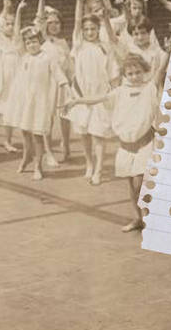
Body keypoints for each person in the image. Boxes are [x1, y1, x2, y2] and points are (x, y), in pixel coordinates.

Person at [65, 53, 161, 232]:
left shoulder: (149, 89)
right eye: (130, 73)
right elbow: (98, 98)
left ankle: (149, 218)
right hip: (126, 145)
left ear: (144, 71)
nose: (134, 76)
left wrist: (170, 51)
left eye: (138, 72)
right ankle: (138, 218)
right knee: (131, 185)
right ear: (124, 75)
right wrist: (77, 100)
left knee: (140, 184)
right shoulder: (119, 92)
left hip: (145, 143)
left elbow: (161, 71)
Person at [4, 0, 71, 181]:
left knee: (38, 133)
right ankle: (27, 157)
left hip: (41, 101)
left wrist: (65, 86)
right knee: (25, 131)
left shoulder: (47, 57)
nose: (31, 45)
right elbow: (17, 35)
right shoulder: (24, 57)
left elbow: (58, 74)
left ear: (40, 41)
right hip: (25, 101)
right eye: (28, 43)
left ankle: (38, 165)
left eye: (34, 41)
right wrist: (18, 11)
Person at [69, 0, 120, 185]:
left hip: (99, 97)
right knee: (84, 133)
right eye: (86, 29)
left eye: (93, 28)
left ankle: (98, 169)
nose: (89, 32)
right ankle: (89, 163)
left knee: (98, 134)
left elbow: (113, 75)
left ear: (98, 29)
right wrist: (79, 1)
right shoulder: (79, 45)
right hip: (81, 95)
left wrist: (113, 95)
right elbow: (76, 23)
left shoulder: (105, 48)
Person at [34, 0, 73, 165]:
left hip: (63, 84)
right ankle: (48, 151)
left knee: (65, 115)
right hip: (47, 84)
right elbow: (39, 19)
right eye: (50, 23)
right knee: (47, 117)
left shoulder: (63, 42)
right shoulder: (43, 39)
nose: (54, 26)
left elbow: (69, 66)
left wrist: (71, 82)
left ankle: (66, 147)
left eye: (57, 22)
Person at [0, 0, 21, 152]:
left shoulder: (17, 41)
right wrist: (6, 8)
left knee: (10, 110)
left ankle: (8, 141)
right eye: (7, 24)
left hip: (13, 80)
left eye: (12, 24)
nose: (9, 27)